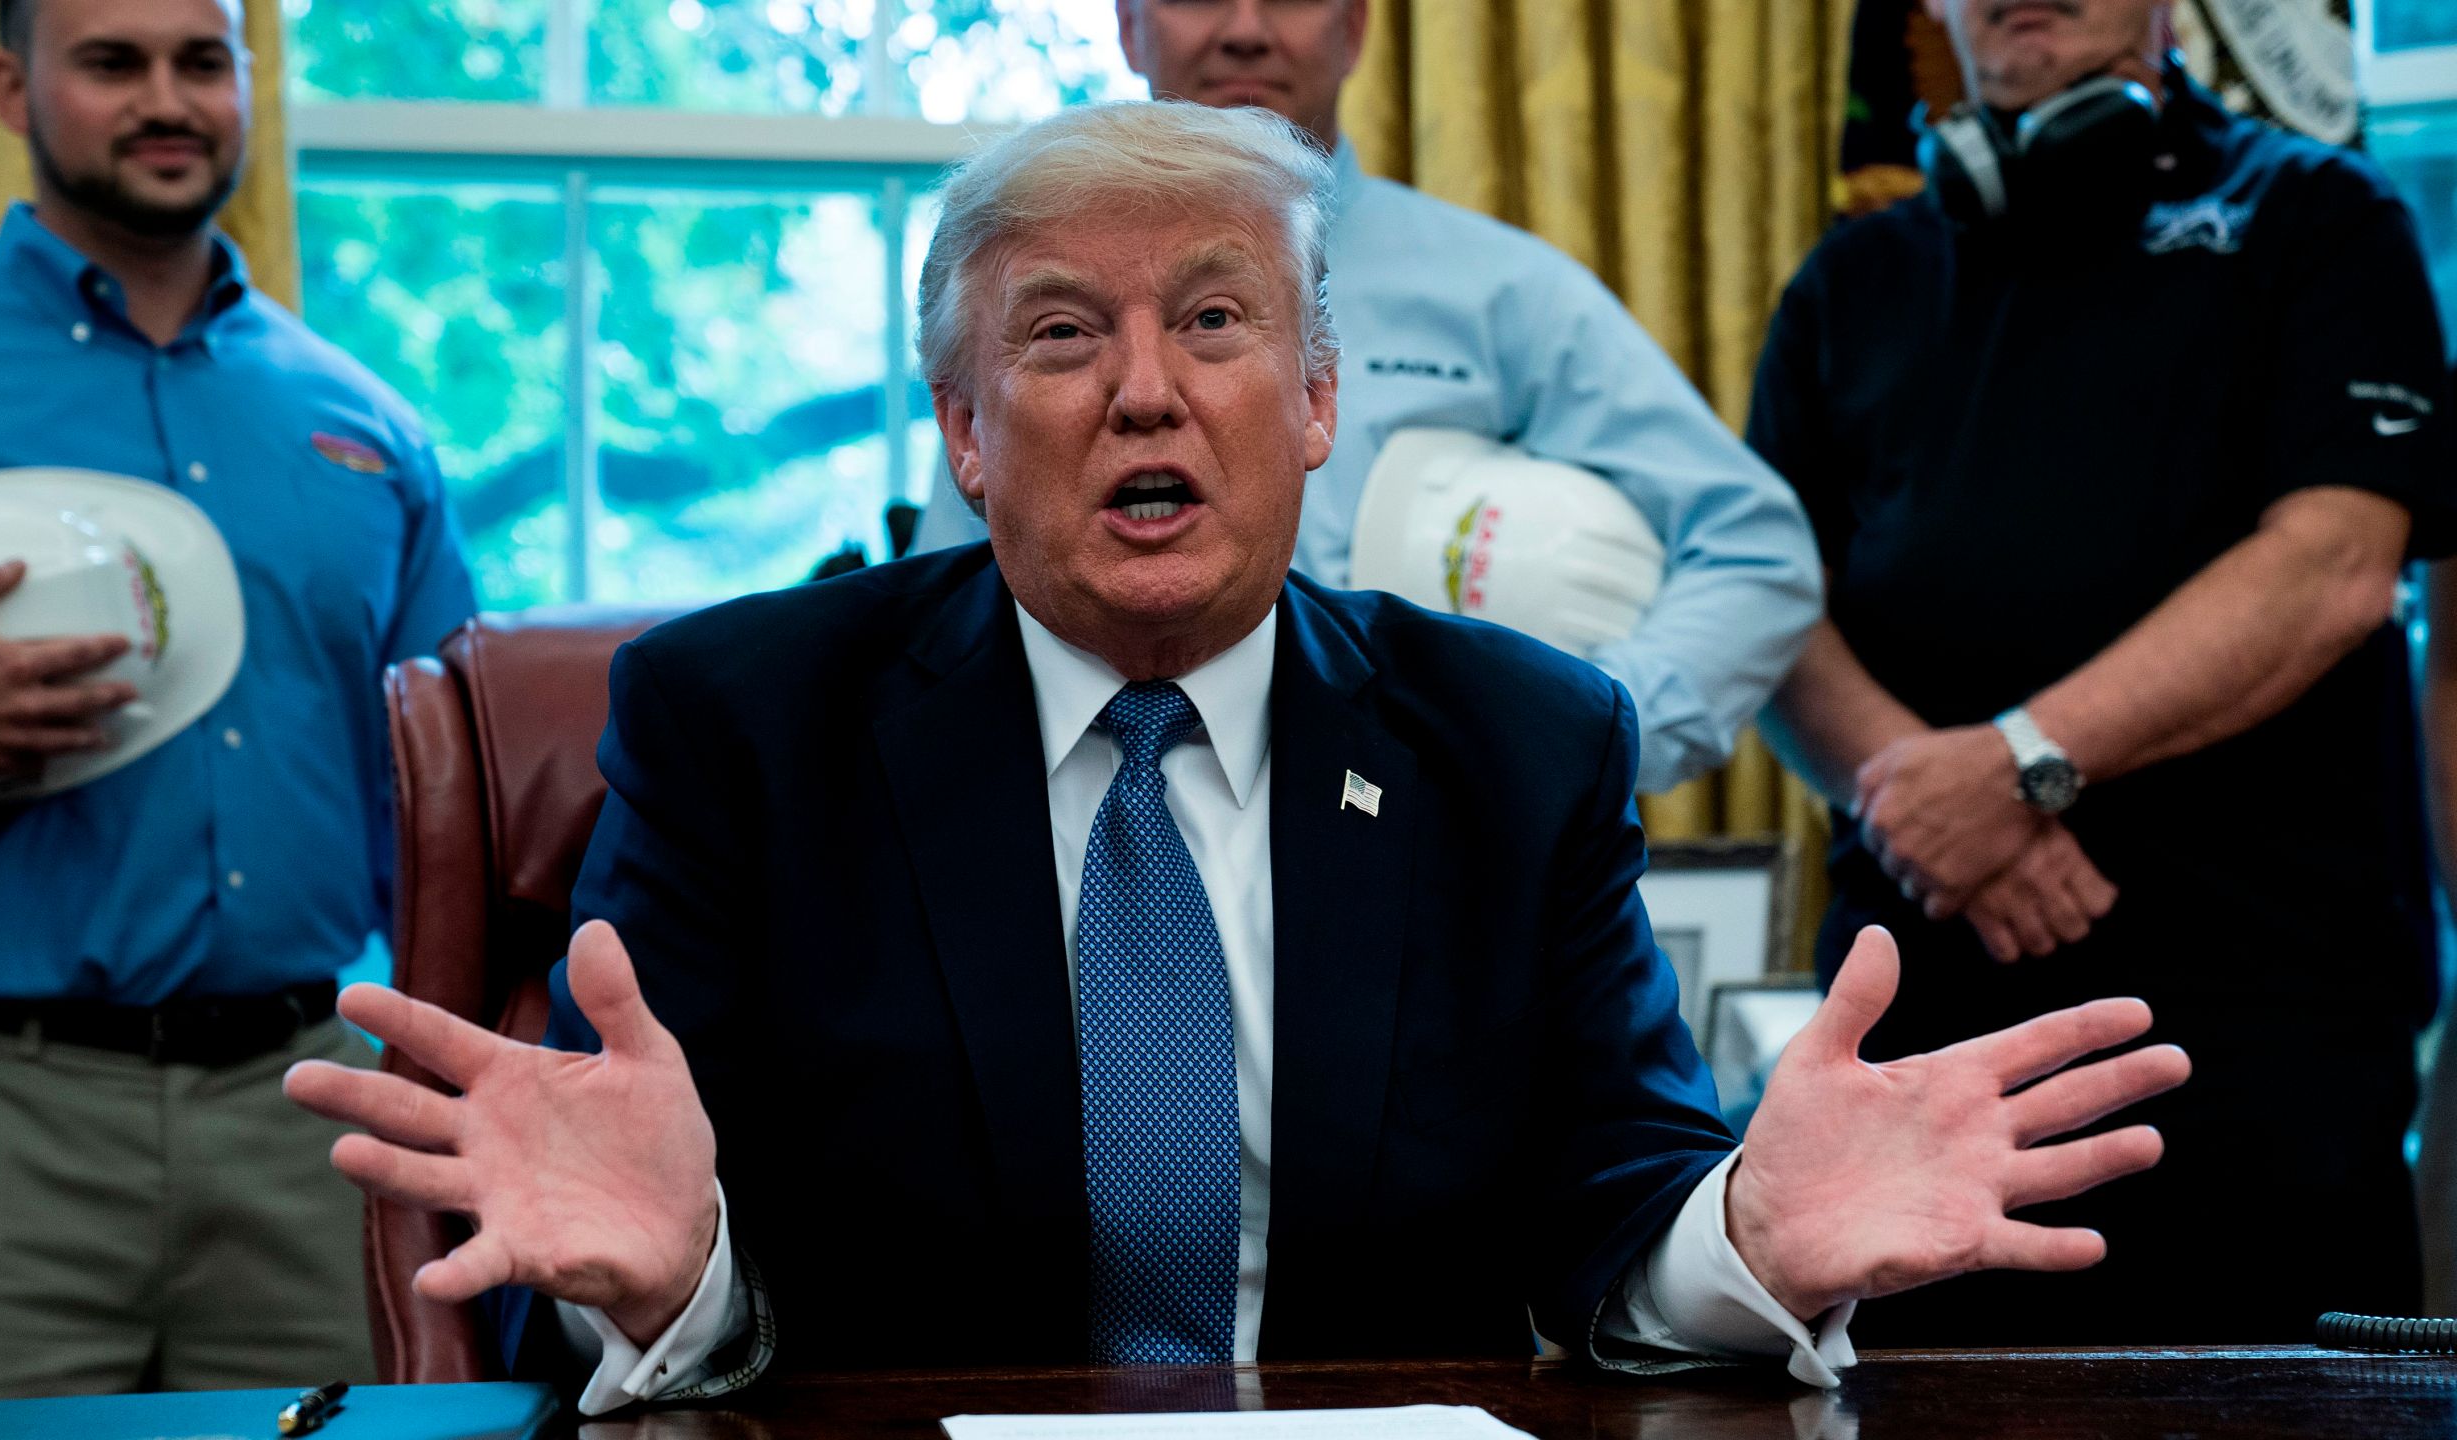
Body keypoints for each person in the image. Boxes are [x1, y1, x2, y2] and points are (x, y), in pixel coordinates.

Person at [286, 100, 2189, 1416]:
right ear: (962, 429)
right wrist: (673, 1267)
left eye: (1214, 319)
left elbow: (1621, 1200)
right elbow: (666, 1242)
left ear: (1319, 405)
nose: (1145, 387)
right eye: (1059, 336)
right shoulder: (739, 724)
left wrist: (1751, 1245)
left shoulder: (1518, 745)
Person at [1752, 0, 2455, 1345]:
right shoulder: (1852, 280)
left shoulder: (2323, 218)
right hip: (1927, 1054)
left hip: (2259, 1053)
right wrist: (1939, 813)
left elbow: (2335, 562)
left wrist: (2017, 761)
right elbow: (1766, 604)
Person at [0, 0, 475, 1402]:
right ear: (8, 88)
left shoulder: (367, 423)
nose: (167, 97)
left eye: (201, 60)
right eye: (112, 61)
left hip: (306, 1113)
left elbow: (462, 793)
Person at [909, 0, 1822, 795]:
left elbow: (1750, 545)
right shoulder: (1025, 316)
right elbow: (940, 637)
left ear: (1354, 28)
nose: (1244, 30)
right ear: (1128, 23)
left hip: (1431, 866)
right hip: (1100, 837)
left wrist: (1572, 741)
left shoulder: (1499, 290)